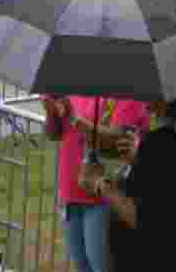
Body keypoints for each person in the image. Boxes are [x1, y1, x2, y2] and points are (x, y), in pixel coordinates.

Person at [78, 96, 176, 272]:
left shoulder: (158, 143)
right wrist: (138, 160)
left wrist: (99, 184)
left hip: (147, 261)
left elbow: (142, 217)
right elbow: (166, 186)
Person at [42, 95, 150, 272]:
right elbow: (54, 133)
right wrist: (51, 112)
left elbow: (115, 140)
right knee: (82, 267)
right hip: (71, 192)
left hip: (104, 198)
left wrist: (73, 117)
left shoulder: (130, 92)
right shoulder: (76, 81)